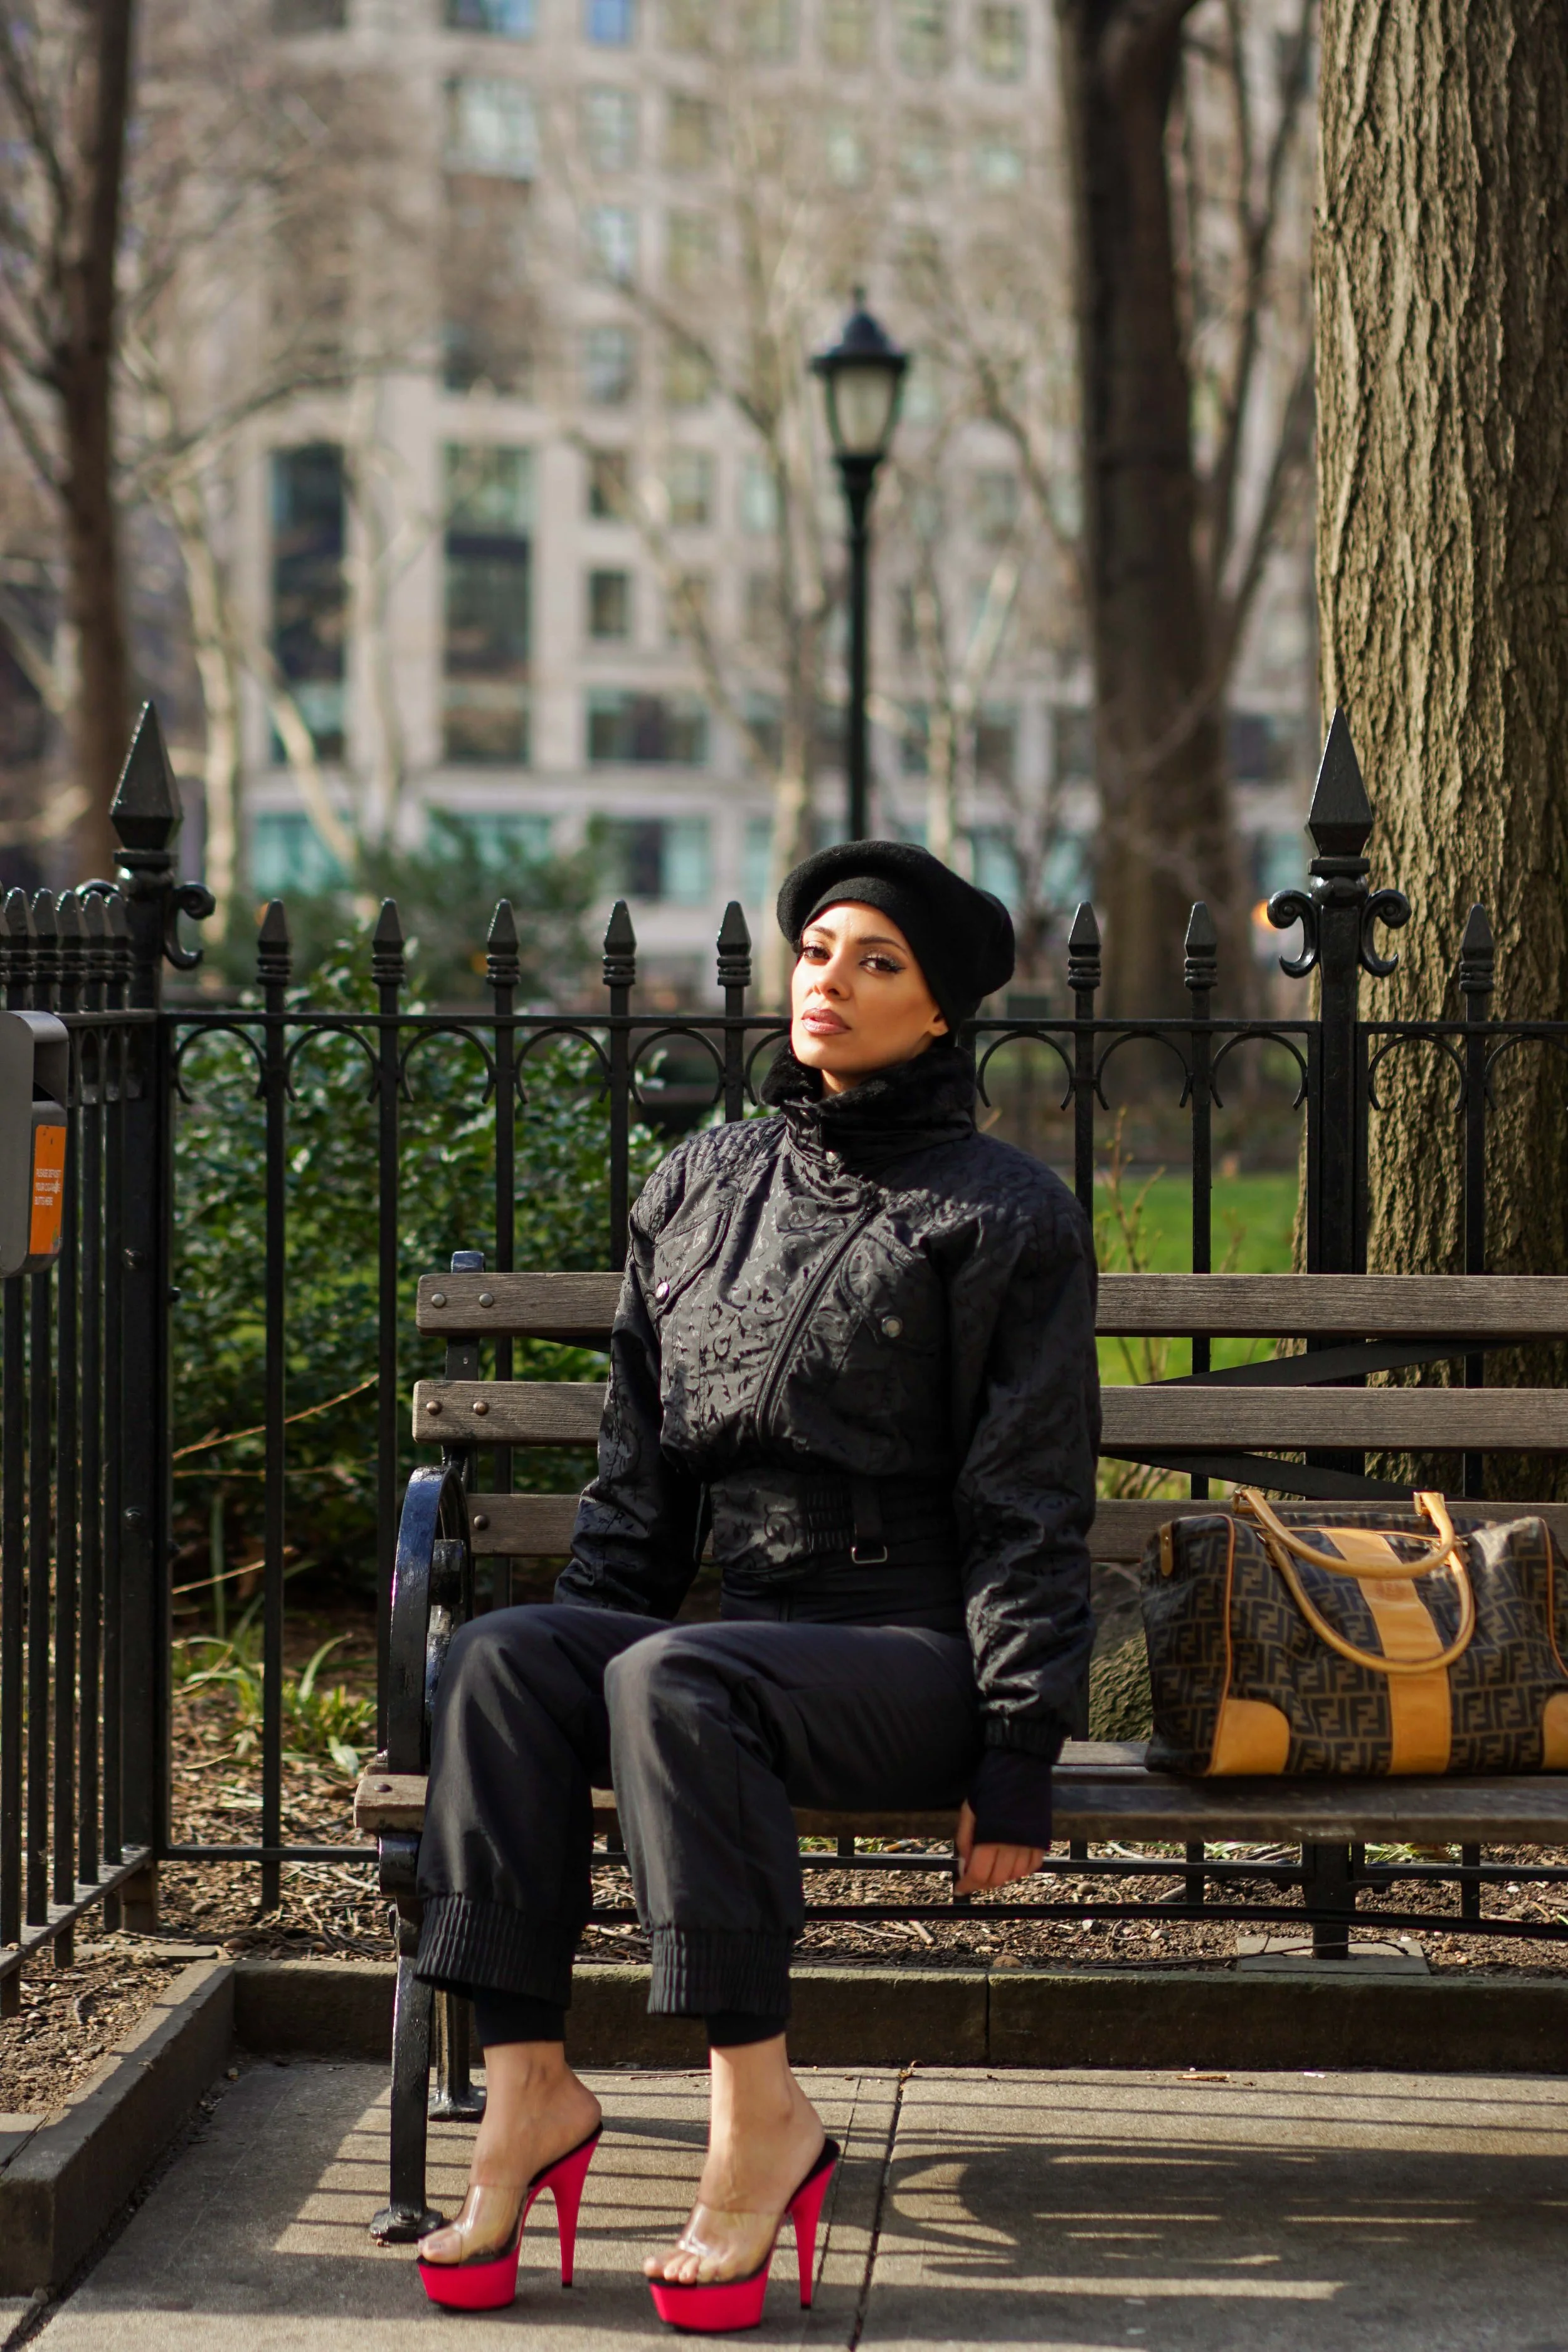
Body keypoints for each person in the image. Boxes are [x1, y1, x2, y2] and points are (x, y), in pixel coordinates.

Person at [411, 840, 1100, 2323]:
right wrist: (577, 1632)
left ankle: (758, 2123)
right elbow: (637, 1474)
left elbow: (1028, 1492)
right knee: (501, 1658)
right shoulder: (700, 1180)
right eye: (817, 949)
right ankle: (525, 2092)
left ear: (938, 1015)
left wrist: (1019, 1741)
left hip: (910, 1651)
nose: (829, 981)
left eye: (877, 962)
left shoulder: (1004, 1211)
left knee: (673, 1671)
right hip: (741, 1648)